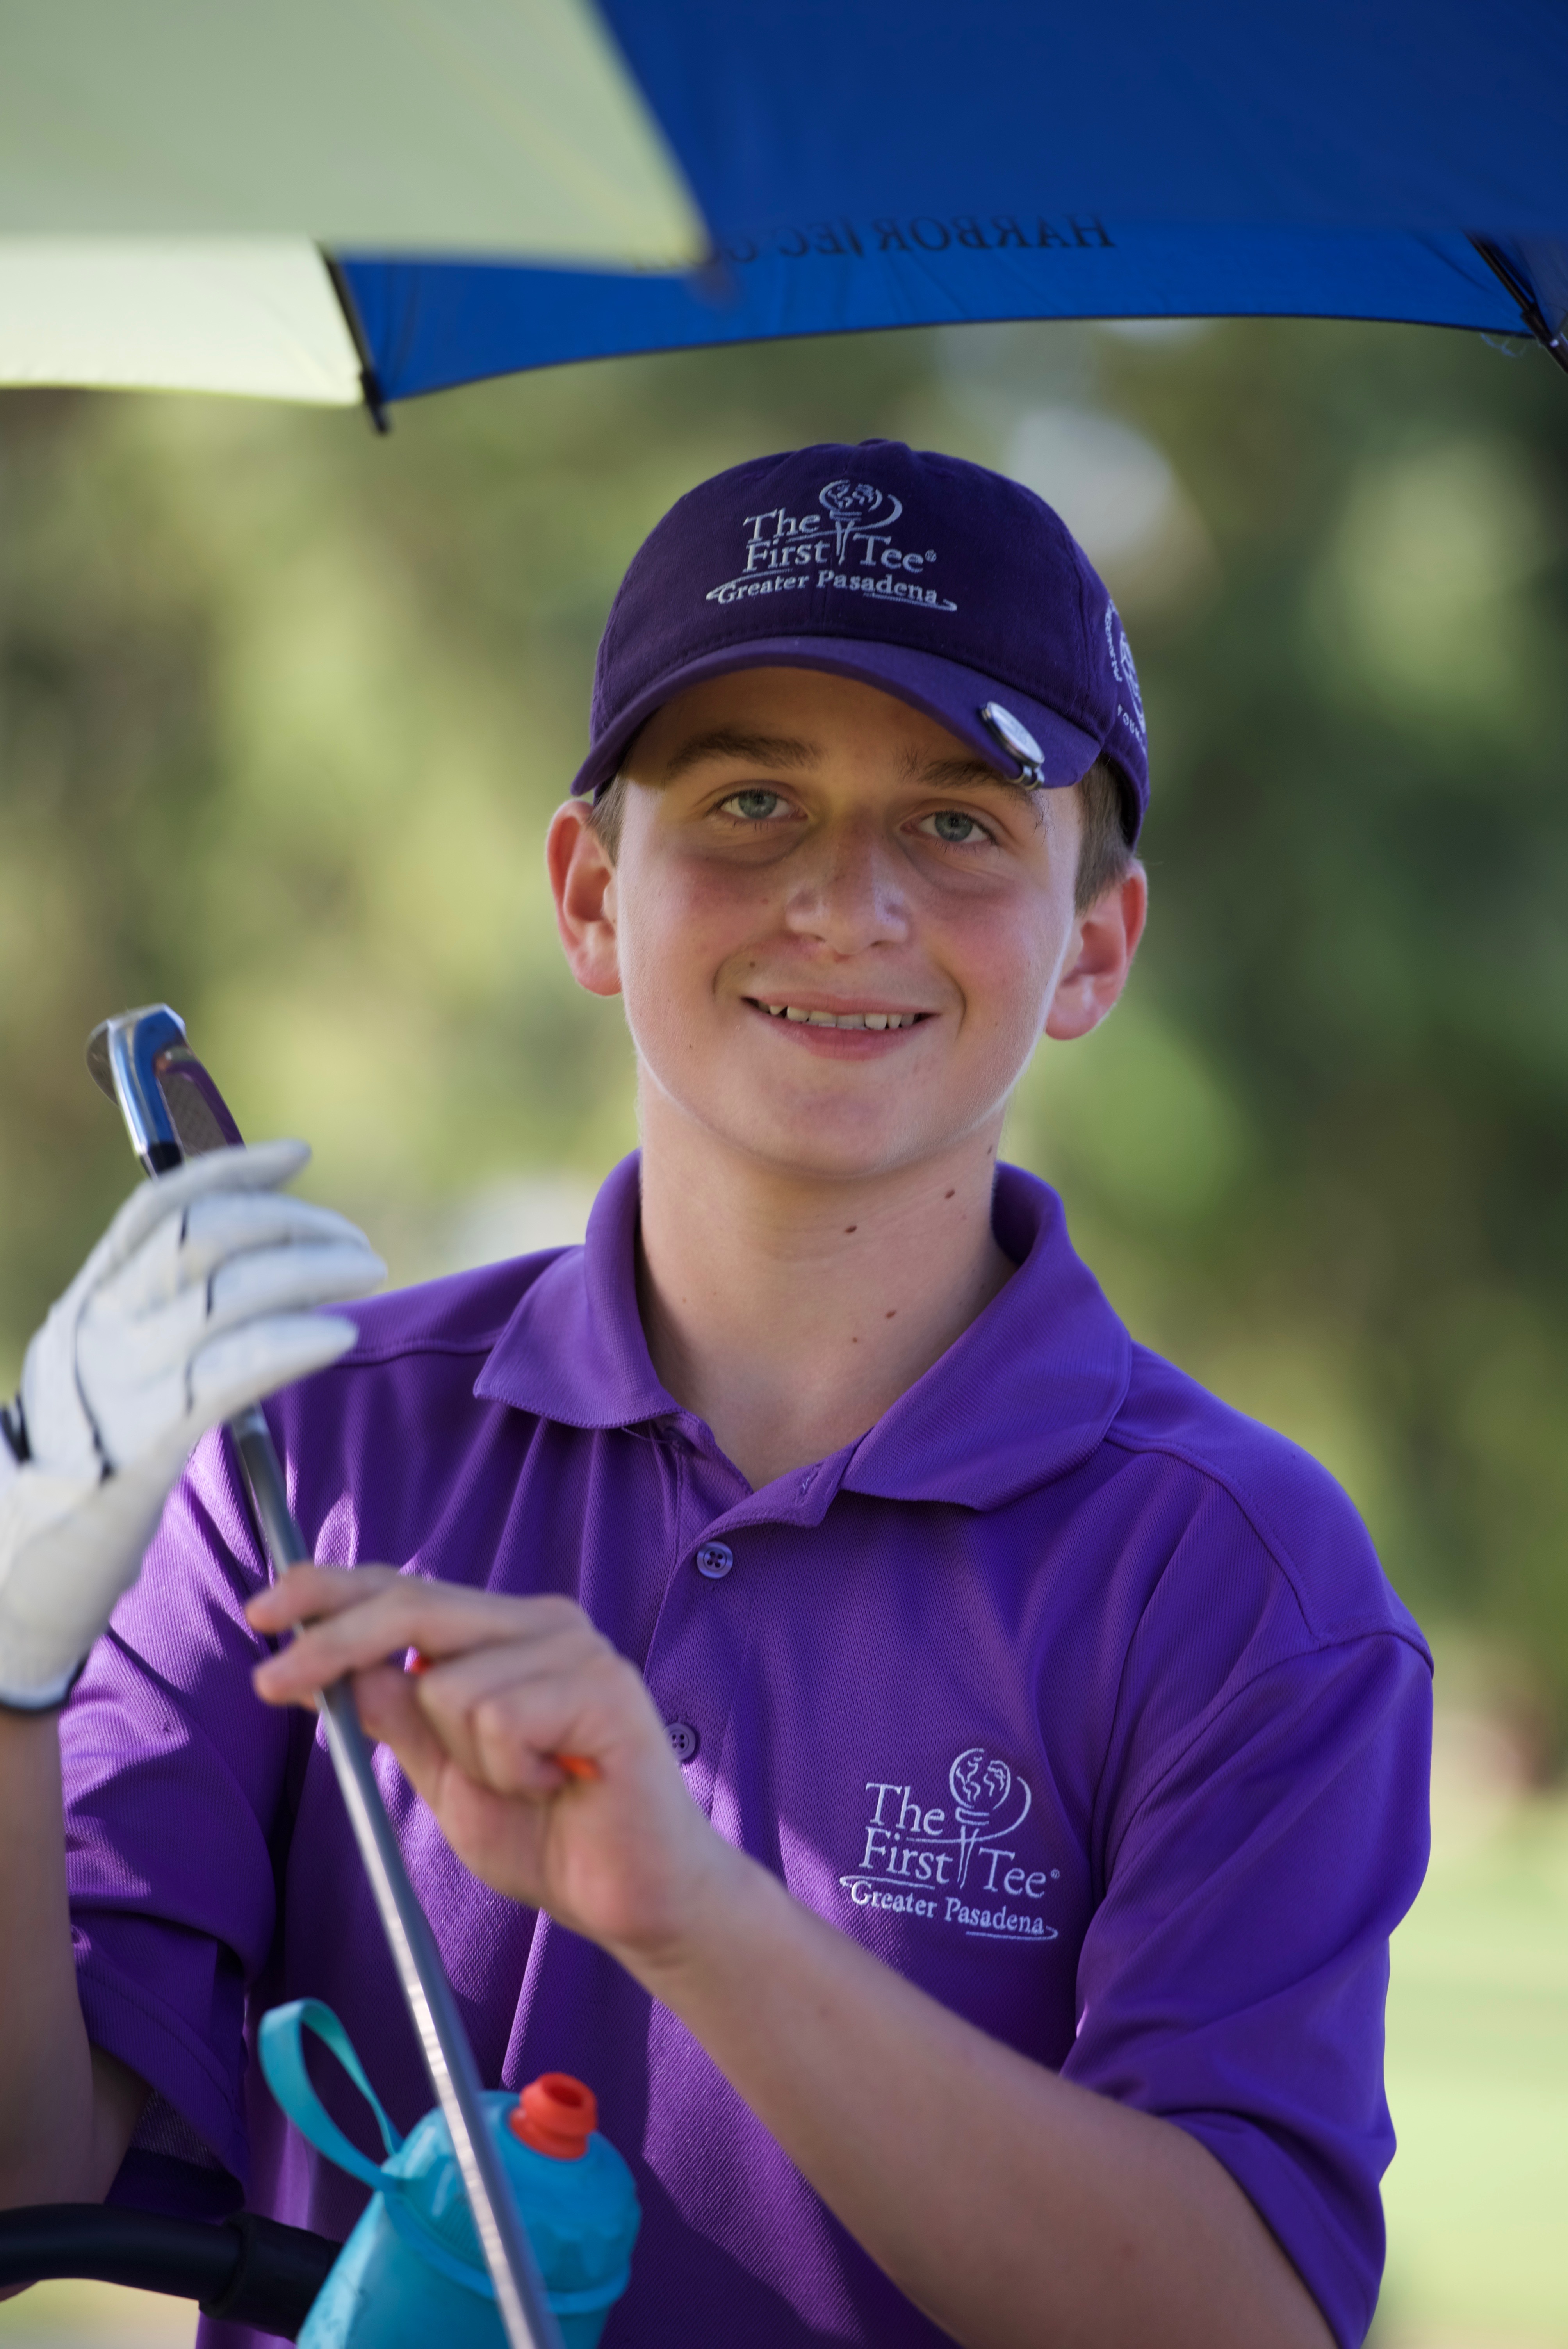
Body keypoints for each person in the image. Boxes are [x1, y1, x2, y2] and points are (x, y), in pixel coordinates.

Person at [0, 442, 1431, 2349]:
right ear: (593, 895)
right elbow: (29, 2171)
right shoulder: (292, 1454)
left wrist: (691, 1910)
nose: (845, 902)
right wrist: (6, 1676)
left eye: (957, 821)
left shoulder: (1240, 1576)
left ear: (1090, 943)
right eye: (752, 801)